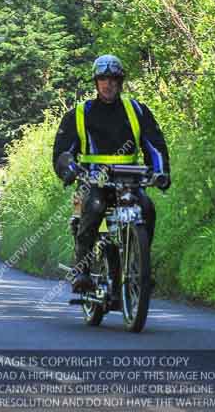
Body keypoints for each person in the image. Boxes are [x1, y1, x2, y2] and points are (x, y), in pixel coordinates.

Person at [53, 54, 171, 292]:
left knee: (146, 208)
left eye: (113, 79)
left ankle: (140, 265)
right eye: (103, 79)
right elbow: (63, 151)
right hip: (92, 182)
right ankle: (82, 270)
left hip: (130, 181)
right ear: (96, 83)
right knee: (94, 207)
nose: (108, 84)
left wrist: (161, 173)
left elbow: (154, 145)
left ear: (121, 82)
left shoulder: (137, 110)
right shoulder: (79, 114)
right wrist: (69, 169)